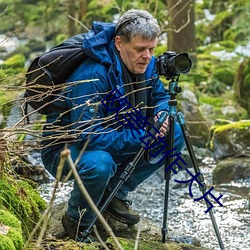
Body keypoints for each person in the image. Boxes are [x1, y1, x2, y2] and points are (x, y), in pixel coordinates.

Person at [41, 9, 185, 241]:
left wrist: (161, 114)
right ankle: (76, 221)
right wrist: (143, 135)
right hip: (66, 149)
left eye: (152, 49)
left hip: (115, 135)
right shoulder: (92, 75)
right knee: (100, 164)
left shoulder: (145, 64)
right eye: (140, 49)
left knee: (174, 133)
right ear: (119, 43)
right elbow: (87, 136)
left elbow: (159, 96)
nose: (147, 56)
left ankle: (115, 193)